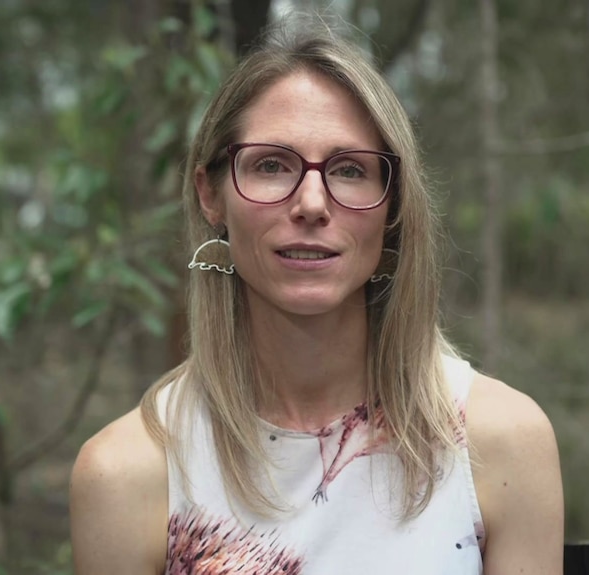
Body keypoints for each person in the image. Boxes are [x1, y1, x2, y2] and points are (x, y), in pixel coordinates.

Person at [69, 18, 563, 575]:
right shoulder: (128, 473)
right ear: (211, 195)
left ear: (392, 203)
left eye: (349, 169)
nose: (311, 203)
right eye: (271, 165)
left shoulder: (502, 442)